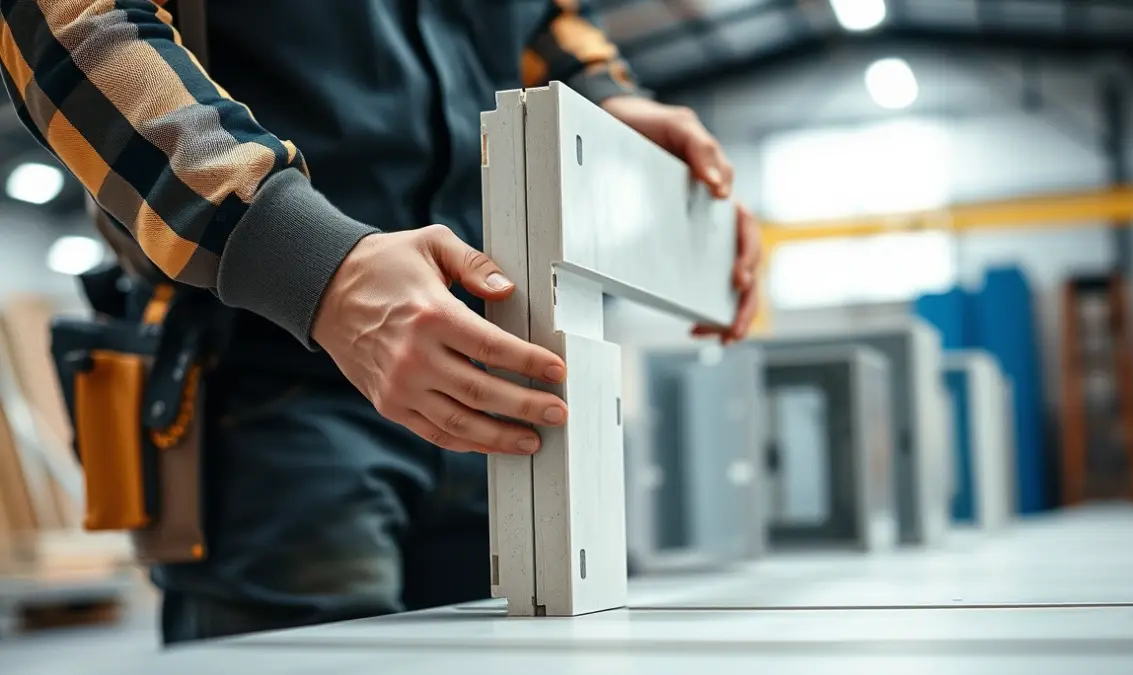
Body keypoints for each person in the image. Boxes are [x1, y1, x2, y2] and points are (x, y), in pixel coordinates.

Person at [0, 0, 761, 644]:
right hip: (272, 382)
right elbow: (76, 22)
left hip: (498, 378)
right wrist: (314, 261)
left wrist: (609, 100)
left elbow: (538, 18)